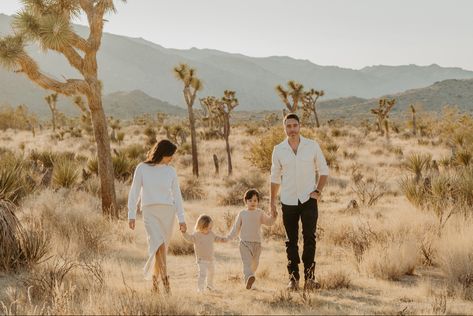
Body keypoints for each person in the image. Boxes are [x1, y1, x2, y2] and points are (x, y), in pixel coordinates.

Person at [270, 113, 329, 291]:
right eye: (288, 126)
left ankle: (310, 278)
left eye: (295, 125)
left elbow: (323, 170)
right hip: (288, 201)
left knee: (310, 238)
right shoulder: (278, 149)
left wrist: (318, 191)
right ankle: (293, 279)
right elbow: (274, 177)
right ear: (284, 128)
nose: (292, 129)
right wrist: (272, 201)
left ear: (300, 126)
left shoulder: (311, 146)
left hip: (308, 200)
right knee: (291, 241)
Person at [127, 139, 187, 294]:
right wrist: (131, 214)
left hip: (168, 212)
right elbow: (134, 191)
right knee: (158, 245)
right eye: (170, 155)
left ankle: (155, 283)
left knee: (161, 249)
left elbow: (177, 196)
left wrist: (182, 219)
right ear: (163, 153)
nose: (172, 159)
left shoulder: (170, 171)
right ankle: (166, 280)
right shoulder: (142, 168)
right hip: (149, 212)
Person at [226, 189, 277, 289]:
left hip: (257, 244)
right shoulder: (242, 213)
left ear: (258, 201)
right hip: (245, 243)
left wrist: (274, 216)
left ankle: (250, 278)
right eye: (250, 201)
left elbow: (269, 222)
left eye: (255, 200)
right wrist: (228, 237)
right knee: (247, 263)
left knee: (255, 264)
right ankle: (248, 278)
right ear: (246, 202)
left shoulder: (260, 213)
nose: (252, 203)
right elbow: (236, 228)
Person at [182, 214, 227, 292]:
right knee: (202, 274)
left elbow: (216, 238)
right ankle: (200, 289)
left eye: (210, 228)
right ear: (201, 226)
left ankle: (209, 286)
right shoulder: (197, 235)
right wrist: (184, 232)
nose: (209, 230)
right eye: (208, 228)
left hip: (210, 259)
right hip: (201, 259)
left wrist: (222, 239)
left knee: (211, 273)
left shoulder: (211, 234)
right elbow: (189, 238)